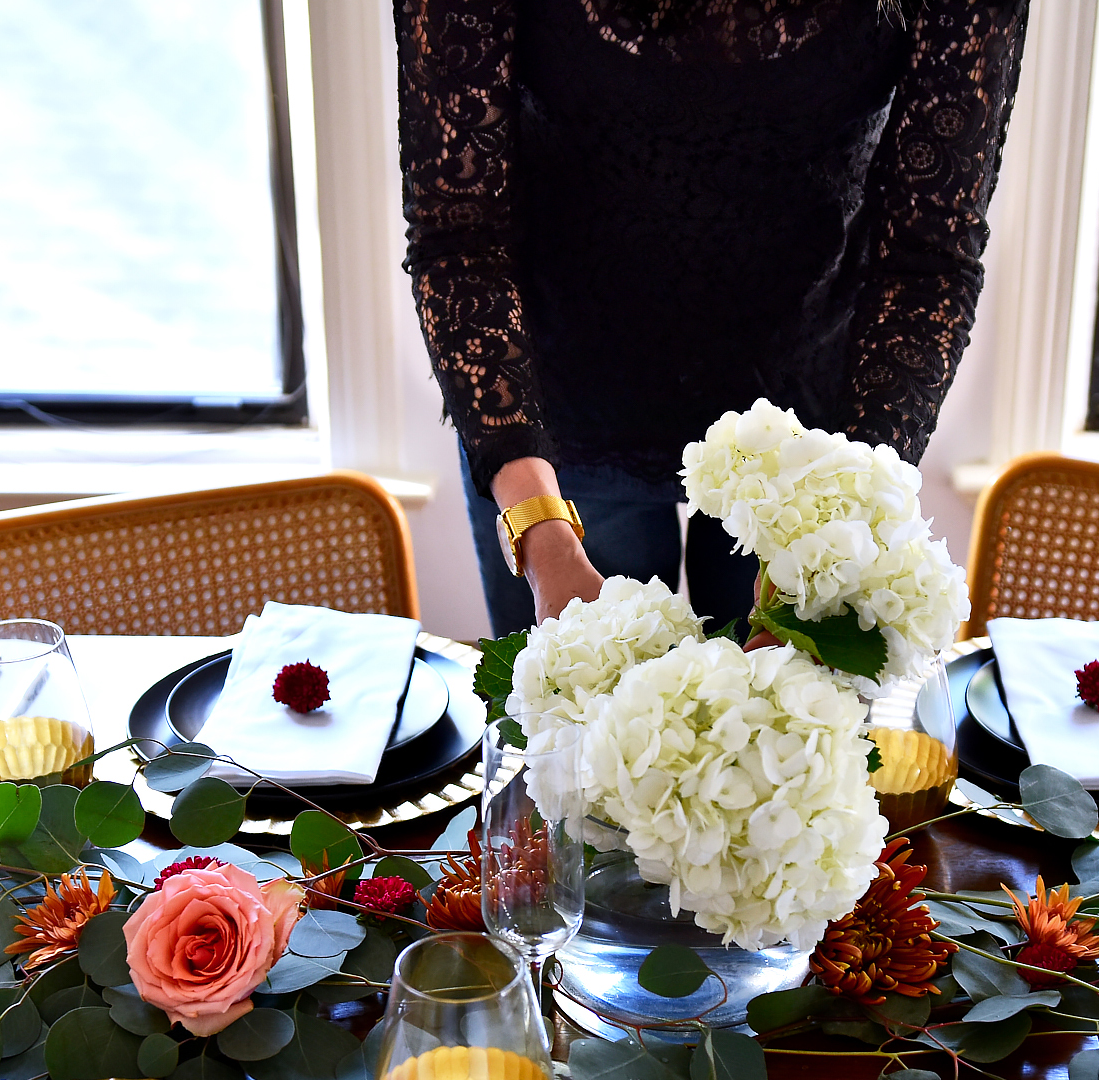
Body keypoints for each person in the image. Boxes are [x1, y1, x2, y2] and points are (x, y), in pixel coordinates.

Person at [397, 0, 1029, 635]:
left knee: (788, 725)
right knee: (569, 720)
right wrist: (540, 531)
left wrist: (847, 520)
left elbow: (928, 258)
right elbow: (459, 233)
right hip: (550, 417)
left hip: (812, 441)